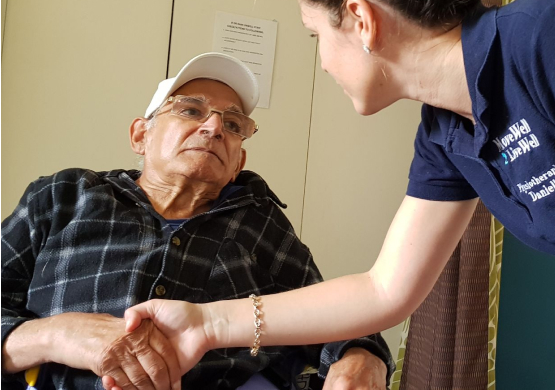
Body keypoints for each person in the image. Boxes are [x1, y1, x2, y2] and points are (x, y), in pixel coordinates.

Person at [122, 0, 555, 389]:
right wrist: (205, 324)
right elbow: (385, 289)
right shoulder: (445, 132)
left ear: (360, 20)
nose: (322, 63)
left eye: (315, 36)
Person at [1, 52, 393, 390]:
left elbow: (332, 315)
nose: (215, 127)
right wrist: (56, 335)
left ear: (238, 163)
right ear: (141, 136)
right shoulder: (63, 196)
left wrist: (362, 356)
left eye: (233, 124)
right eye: (190, 110)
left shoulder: (259, 223)